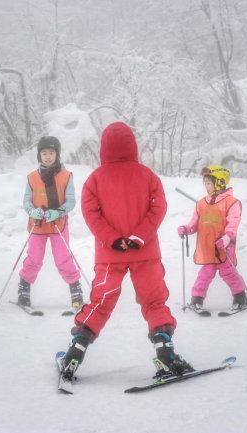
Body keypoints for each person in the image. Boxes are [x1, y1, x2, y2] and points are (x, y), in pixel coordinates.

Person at [58, 121, 193, 384]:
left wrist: (113, 239)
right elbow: (158, 208)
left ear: (103, 147)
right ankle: (165, 349)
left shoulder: (95, 179)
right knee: (154, 302)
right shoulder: (148, 176)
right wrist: (138, 236)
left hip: (110, 256)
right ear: (133, 145)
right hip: (145, 254)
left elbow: (91, 214)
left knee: (100, 302)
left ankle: (77, 347)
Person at [17, 136, 83, 310]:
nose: (47, 156)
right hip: (37, 225)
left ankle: (75, 289)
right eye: (44, 152)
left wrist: (59, 211)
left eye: (51, 152)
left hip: (58, 225)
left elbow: (71, 201)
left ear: (57, 154)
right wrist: (32, 211)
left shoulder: (66, 176)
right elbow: (26, 202)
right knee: (34, 259)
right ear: (39, 155)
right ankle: (24, 288)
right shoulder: (32, 177)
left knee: (63, 259)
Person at [177, 165, 247, 313]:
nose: (206, 186)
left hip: (223, 246)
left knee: (228, 272)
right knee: (205, 273)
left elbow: (233, 223)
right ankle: (196, 299)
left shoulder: (232, 202)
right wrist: (186, 229)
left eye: (209, 183)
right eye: (205, 183)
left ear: (220, 183)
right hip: (207, 247)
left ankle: (240, 298)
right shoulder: (201, 203)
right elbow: (194, 224)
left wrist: (227, 238)